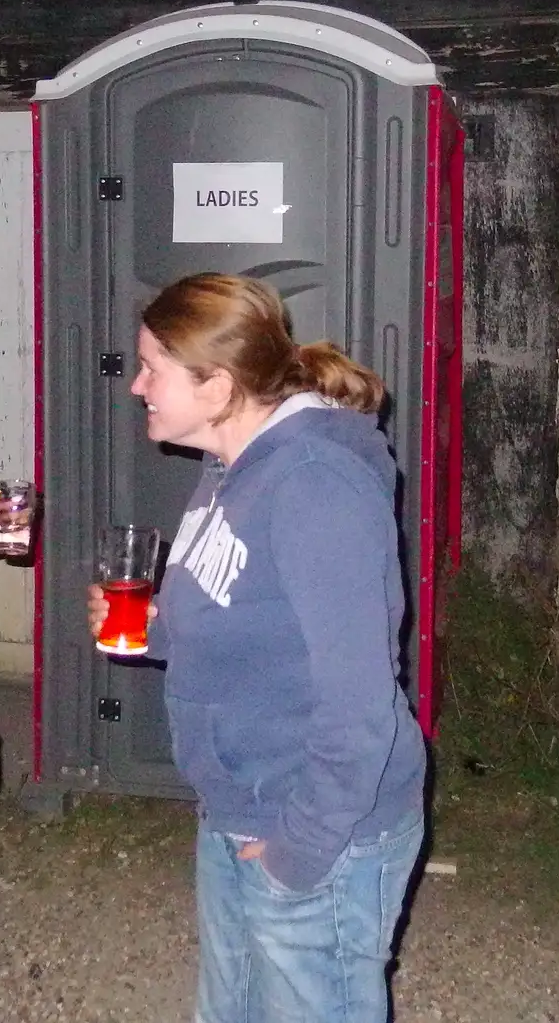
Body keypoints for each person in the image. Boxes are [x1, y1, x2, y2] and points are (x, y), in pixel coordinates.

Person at [88, 272, 427, 1023]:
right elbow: (230, 610)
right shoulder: (230, 465)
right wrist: (146, 627)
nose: (137, 385)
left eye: (153, 369)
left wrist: (297, 855)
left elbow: (360, 706)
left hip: (317, 828)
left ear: (216, 385)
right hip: (239, 804)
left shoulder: (316, 485)